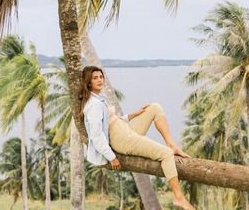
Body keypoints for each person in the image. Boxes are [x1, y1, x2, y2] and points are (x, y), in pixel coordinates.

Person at [79, 65, 195, 210]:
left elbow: (112, 120)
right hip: (122, 139)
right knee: (166, 154)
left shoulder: (99, 98)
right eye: (95, 78)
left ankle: (171, 143)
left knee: (154, 108)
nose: (100, 80)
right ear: (88, 82)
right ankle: (179, 197)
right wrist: (111, 157)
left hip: (126, 129)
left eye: (101, 77)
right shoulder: (94, 105)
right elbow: (96, 136)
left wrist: (134, 114)